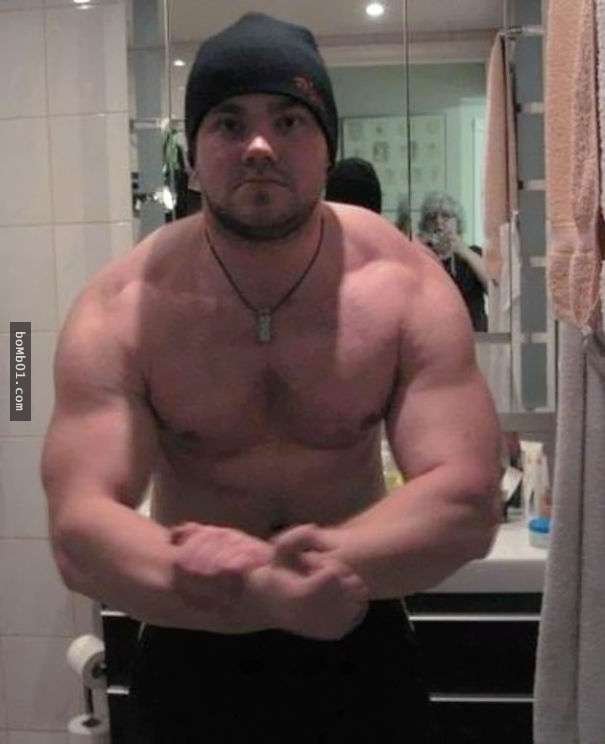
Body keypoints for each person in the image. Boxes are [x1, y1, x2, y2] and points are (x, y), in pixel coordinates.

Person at [41, 12, 501, 744]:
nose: (259, 146)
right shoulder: (124, 306)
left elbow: (468, 498)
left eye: (289, 121)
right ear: (193, 157)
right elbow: (78, 529)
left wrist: (311, 574)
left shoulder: (402, 284)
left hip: (357, 638)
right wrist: (263, 590)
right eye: (228, 123)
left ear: (327, 149)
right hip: (189, 652)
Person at [417, 190, 489, 331]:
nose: (439, 222)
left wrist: (464, 251)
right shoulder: (421, 258)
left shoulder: (474, 253)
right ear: (425, 225)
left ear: (457, 223)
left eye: (445, 216)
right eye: (432, 217)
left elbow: (494, 289)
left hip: (475, 335)